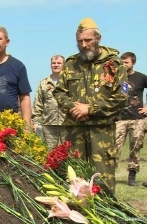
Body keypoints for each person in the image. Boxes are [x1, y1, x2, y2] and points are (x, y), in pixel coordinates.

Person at [53, 18, 128, 195]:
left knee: (103, 179)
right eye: (80, 41)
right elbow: (59, 92)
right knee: (76, 179)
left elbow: (121, 97)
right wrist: (74, 108)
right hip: (75, 130)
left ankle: (106, 219)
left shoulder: (114, 65)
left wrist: (90, 109)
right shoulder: (71, 64)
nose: (84, 45)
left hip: (101, 131)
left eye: (88, 40)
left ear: (98, 38)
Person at [114, 52, 147, 186]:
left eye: (126, 62)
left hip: (137, 119)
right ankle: (111, 175)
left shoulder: (141, 78)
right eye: (122, 62)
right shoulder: (117, 78)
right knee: (115, 147)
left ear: (133, 63)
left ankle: (132, 176)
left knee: (135, 147)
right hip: (119, 119)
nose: (124, 65)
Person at [32, 55, 66, 150]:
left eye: (59, 63)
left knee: (70, 153)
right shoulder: (43, 83)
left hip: (67, 124)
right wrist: (36, 122)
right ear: (50, 65)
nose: (56, 65)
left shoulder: (69, 82)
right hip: (49, 124)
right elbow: (38, 103)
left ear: (64, 65)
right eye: (53, 63)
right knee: (49, 154)